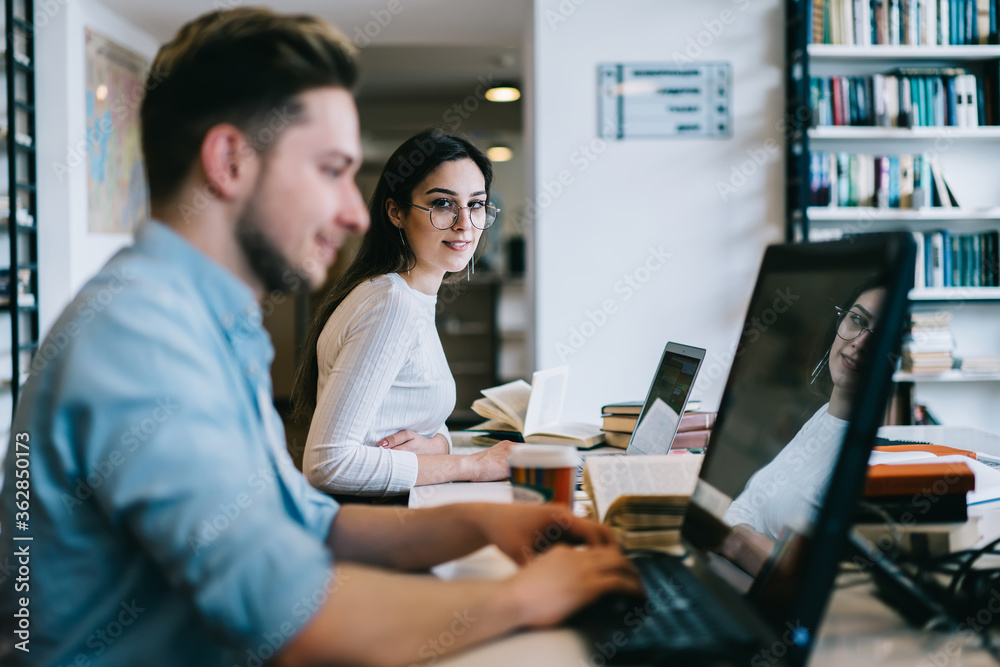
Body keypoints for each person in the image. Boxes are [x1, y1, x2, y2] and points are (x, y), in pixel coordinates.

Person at [0, 10, 640, 666]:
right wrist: (528, 597)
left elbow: (309, 520)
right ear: (229, 162)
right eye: (331, 170)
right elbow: (294, 618)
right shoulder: (144, 341)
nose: (356, 210)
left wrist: (480, 520)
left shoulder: (206, 321)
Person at [291, 130, 512, 498]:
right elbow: (328, 464)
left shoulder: (410, 295)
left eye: (475, 204)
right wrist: (474, 465)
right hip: (374, 521)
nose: (464, 223)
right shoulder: (390, 303)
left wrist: (438, 445)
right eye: (443, 203)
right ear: (396, 212)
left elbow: (422, 418)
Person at [720, 278, 887, 572]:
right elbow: (744, 506)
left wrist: (741, 536)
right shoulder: (824, 416)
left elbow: (800, 573)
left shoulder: (867, 453)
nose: (860, 343)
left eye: (880, 335)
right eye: (857, 320)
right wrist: (748, 536)